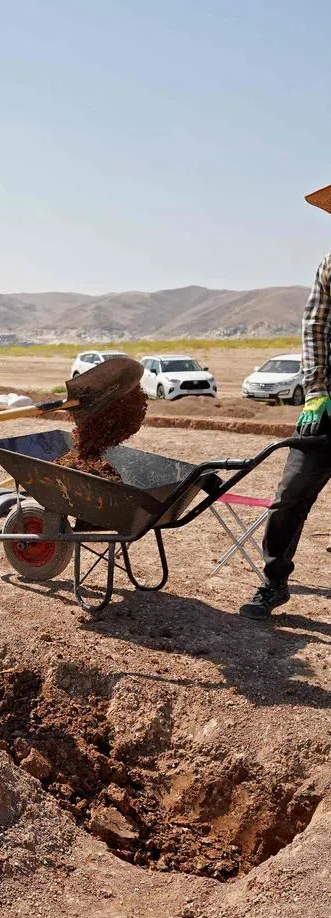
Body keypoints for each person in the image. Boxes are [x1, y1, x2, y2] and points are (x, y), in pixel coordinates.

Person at [241, 183, 331, 619]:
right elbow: (314, 325)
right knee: (290, 494)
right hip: (326, 409)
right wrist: (315, 391)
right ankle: (275, 581)